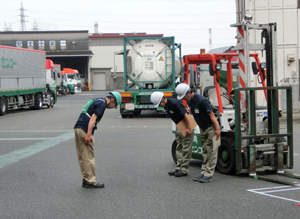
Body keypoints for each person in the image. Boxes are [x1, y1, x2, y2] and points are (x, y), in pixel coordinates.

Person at [74, 92, 122, 188]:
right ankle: (90, 181)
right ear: (112, 100)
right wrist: (89, 134)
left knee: (82, 156)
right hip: (84, 130)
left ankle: (85, 179)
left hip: (77, 128)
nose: (112, 107)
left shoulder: (95, 100)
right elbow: (93, 119)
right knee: (88, 156)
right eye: (114, 105)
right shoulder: (102, 104)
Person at [175, 83, 220, 183]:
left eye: (184, 97)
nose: (184, 99)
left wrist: (217, 129)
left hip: (211, 128)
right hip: (203, 128)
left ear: (189, 92)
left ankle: (208, 174)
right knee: (205, 150)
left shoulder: (201, 101)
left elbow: (212, 115)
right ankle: (204, 172)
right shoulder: (191, 102)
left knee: (212, 151)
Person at [150, 91, 194, 177]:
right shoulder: (166, 105)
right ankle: (178, 168)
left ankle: (184, 170)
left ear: (163, 99)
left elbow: (186, 115)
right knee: (179, 146)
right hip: (179, 124)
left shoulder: (174, 103)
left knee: (186, 148)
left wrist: (189, 128)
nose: (159, 106)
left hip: (186, 122)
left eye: (159, 104)